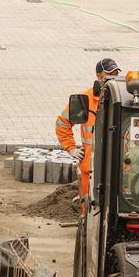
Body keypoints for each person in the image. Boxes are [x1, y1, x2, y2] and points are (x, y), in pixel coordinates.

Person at [56, 58, 119, 201]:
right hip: (90, 169)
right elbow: (62, 123)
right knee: (88, 203)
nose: (112, 77)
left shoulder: (122, 99)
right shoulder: (85, 99)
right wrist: (71, 148)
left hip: (115, 170)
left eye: (115, 73)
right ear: (98, 76)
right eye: (108, 74)